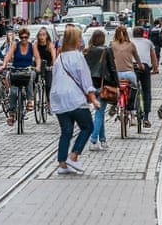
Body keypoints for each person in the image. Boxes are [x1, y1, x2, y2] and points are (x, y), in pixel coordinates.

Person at [51, 25, 98, 175]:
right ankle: (74, 156)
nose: (82, 41)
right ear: (75, 41)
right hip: (74, 98)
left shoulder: (59, 58)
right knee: (88, 127)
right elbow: (85, 79)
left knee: (66, 131)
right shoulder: (78, 56)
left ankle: (62, 165)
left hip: (58, 98)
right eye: (80, 38)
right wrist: (93, 98)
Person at [1, 27, 41, 125]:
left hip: (28, 70)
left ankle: (30, 100)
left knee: (31, 75)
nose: (24, 39)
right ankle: (12, 113)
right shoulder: (15, 44)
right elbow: (8, 55)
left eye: (26, 37)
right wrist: (4, 64)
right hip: (16, 70)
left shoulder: (32, 46)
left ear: (28, 37)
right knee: (13, 92)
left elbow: (37, 58)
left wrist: (38, 66)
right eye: (22, 37)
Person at [84, 30, 116, 150]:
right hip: (103, 85)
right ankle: (93, 140)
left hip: (90, 85)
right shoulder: (106, 50)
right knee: (99, 112)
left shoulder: (88, 51)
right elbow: (112, 68)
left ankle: (102, 141)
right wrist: (116, 83)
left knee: (100, 112)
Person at [110, 25, 143, 122]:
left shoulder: (112, 44)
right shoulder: (131, 44)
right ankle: (133, 111)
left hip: (116, 74)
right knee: (135, 89)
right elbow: (137, 59)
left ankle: (115, 104)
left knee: (114, 88)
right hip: (129, 74)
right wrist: (141, 66)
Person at [131, 26, 158, 125]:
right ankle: (146, 117)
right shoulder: (148, 42)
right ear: (143, 34)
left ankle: (132, 112)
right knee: (146, 91)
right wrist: (155, 69)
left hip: (133, 66)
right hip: (145, 67)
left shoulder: (130, 42)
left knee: (132, 89)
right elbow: (153, 57)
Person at [34, 27, 56, 96]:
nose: (41, 37)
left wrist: (53, 65)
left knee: (48, 86)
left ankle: (49, 102)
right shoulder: (36, 44)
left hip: (48, 66)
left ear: (47, 36)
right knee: (32, 80)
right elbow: (35, 56)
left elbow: (54, 57)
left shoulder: (50, 44)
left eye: (43, 35)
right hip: (38, 65)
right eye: (40, 35)